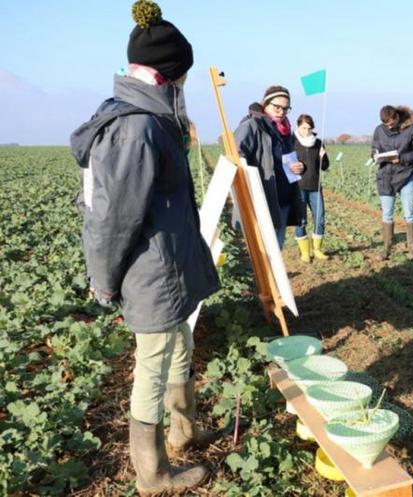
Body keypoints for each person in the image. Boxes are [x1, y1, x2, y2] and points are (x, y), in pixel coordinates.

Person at [69, 1, 219, 494]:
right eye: (184, 77)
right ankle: (153, 474)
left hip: (170, 268)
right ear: (170, 75)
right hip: (150, 275)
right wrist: (104, 280)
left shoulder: (154, 119)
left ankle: (184, 429)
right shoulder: (137, 127)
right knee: (152, 364)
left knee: (181, 344)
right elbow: (112, 220)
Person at [234, 86, 305, 249]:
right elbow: (236, 155)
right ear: (265, 104)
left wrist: (300, 166)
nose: (281, 112)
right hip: (264, 200)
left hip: (283, 200)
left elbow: (287, 158)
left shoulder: (285, 131)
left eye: (286, 109)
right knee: (266, 251)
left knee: (277, 248)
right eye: (277, 107)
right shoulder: (252, 125)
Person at [371, 105, 413, 259]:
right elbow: (374, 148)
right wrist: (375, 155)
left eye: (391, 123)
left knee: (409, 213)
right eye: (386, 124)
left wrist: (401, 159)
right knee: (386, 214)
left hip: (406, 174)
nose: (389, 126)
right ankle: (387, 248)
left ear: (397, 117)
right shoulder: (379, 130)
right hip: (386, 176)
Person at [294, 114, 330, 262]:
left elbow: (325, 166)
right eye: (303, 128)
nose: (306, 131)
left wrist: (323, 156)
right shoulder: (292, 142)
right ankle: (304, 252)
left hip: (315, 187)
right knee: (300, 220)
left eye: (309, 128)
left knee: (319, 218)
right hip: (298, 187)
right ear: (298, 127)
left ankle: (317, 250)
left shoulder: (319, 143)